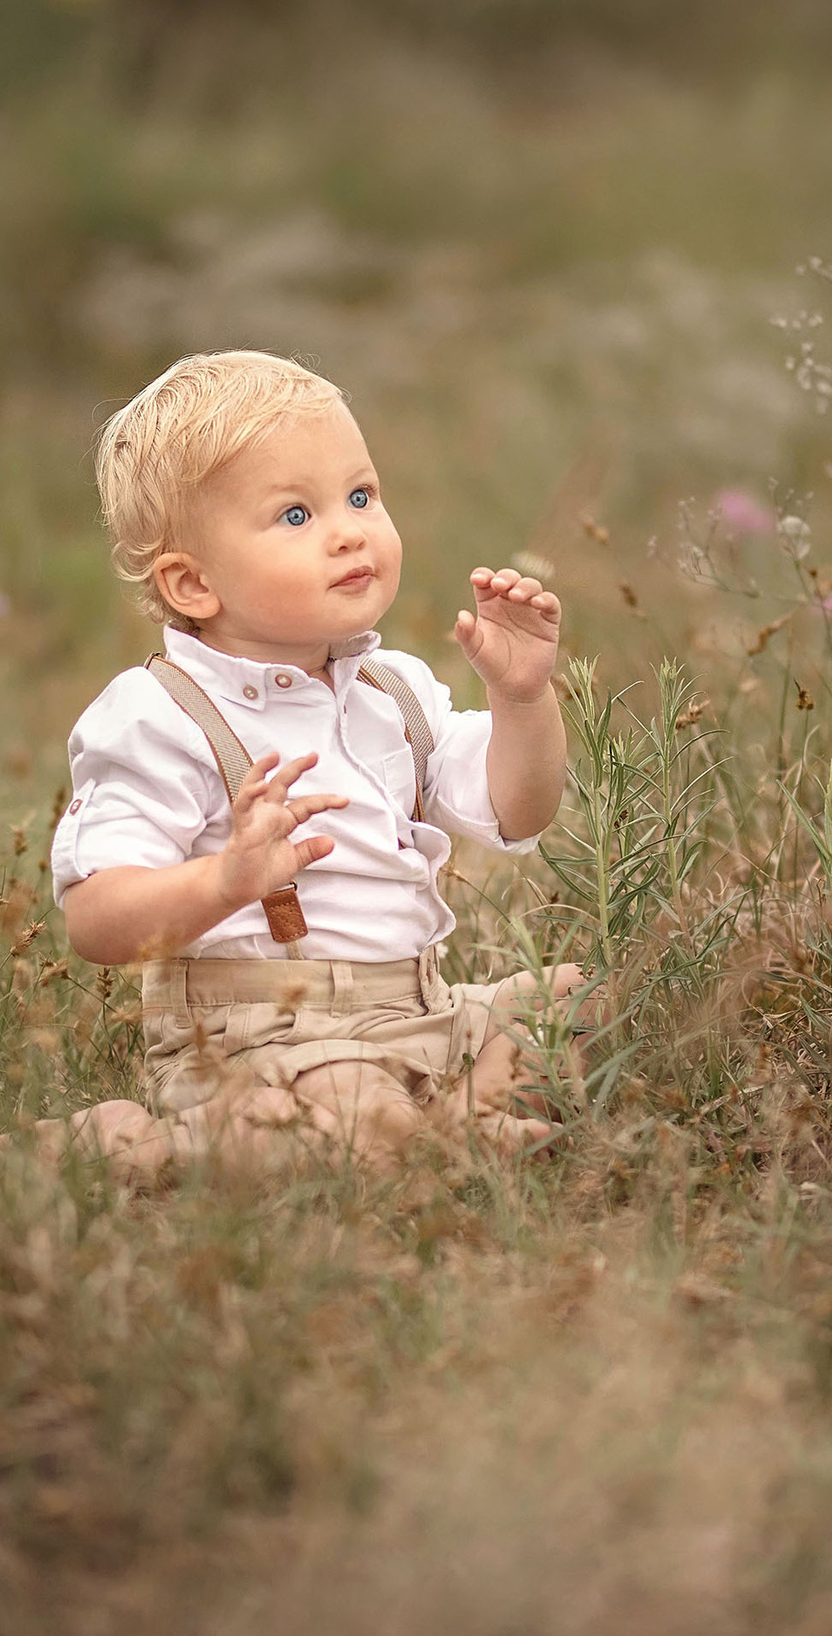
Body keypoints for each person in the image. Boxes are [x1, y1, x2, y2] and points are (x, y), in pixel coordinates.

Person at [33, 349, 588, 1178]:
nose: (350, 529)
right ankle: (155, 1145)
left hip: (423, 1011)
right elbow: (96, 920)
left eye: (361, 495)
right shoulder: (162, 714)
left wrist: (521, 700)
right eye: (296, 515)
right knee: (349, 1114)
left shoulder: (392, 689)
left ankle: (438, 1125)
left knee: (578, 1002)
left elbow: (520, 809)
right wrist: (223, 880)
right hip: (267, 1035)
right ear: (192, 584)